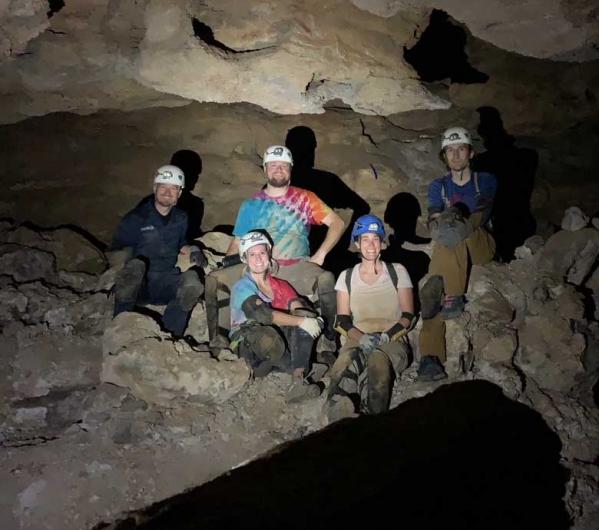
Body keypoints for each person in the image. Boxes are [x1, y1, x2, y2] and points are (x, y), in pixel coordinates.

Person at [205, 145, 345, 356]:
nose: (278, 169)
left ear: (290, 169)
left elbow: (337, 223)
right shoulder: (251, 204)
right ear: (265, 169)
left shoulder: (305, 198)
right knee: (214, 280)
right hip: (259, 267)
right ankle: (219, 341)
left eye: (283, 165)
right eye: (273, 165)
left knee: (326, 279)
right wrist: (226, 262)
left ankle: (328, 342)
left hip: (296, 265)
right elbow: (238, 240)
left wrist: (321, 254)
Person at [417, 127, 497, 381]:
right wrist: (444, 227)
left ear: (470, 153)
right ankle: (430, 359)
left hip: (481, 243)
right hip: (450, 245)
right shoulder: (438, 186)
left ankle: (454, 294)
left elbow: (483, 212)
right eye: (450, 151)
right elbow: (432, 219)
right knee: (434, 289)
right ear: (444, 156)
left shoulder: (484, 180)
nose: (455, 155)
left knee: (452, 221)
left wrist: (454, 224)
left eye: (460, 149)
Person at [324, 215, 414, 420]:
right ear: (357, 244)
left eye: (375, 238)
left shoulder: (397, 271)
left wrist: (385, 337)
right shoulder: (346, 277)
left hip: (392, 341)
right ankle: (337, 413)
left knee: (377, 359)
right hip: (357, 338)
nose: (371, 245)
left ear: (382, 243)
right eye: (365, 239)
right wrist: (362, 338)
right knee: (347, 360)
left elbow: (408, 315)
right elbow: (342, 320)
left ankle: (373, 418)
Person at [111, 164, 205, 338]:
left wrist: (193, 249)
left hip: (166, 281)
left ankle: (171, 335)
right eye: (163, 186)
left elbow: (181, 243)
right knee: (135, 268)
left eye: (173, 188)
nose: (168, 192)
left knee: (192, 282)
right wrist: (120, 274)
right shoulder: (137, 218)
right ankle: (120, 326)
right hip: (140, 284)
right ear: (155, 188)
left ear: (179, 193)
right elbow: (117, 250)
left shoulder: (181, 218)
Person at [230, 230, 324, 402]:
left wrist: (306, 317)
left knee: (304, 316)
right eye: (252, 254)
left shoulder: (280, 285)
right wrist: (302, 321)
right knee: (268, 337)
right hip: (248, 346)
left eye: (262, 253)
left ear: (269, 254)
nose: (258, 259)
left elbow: (297, 305)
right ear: (245, 258)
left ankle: (298, 380)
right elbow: (262, 315)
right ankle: (301, 366)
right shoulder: (242, 287)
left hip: (277, 345)